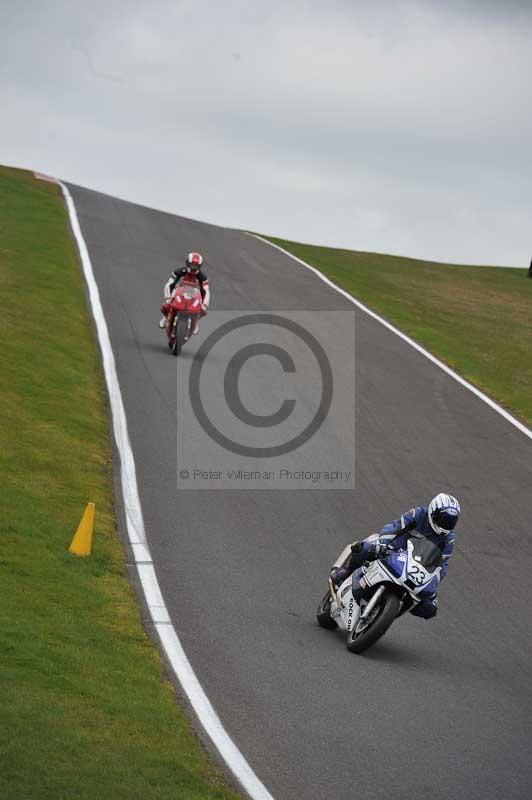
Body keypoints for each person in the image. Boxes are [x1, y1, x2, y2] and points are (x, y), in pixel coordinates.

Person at [330, 493, 460, 621]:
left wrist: (434, 582)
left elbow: (442, 565)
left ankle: (388, 613)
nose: (445, 525)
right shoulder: (418, 514)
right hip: (393, 549)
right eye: (443, 520)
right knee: (364, 549)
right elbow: (395, 527)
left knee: (429, 608)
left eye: (450, 522)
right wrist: (383, 544)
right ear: (433, 512)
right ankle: (346, 574)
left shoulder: (448, 539)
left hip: (417, 568)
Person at [159, 252, 210, 335]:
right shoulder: (179, 272)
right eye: (192, 265)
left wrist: (205, 304)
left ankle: (195, 321)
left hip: (193, 296)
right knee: (166, 305)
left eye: (196, 266)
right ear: (187, 263)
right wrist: (167, 297)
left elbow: (206, 291)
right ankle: (165, 317)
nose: (194, 268)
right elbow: (169, 284)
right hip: (178, 292)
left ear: (200, 266)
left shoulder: (202, 277)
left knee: (203, 311)